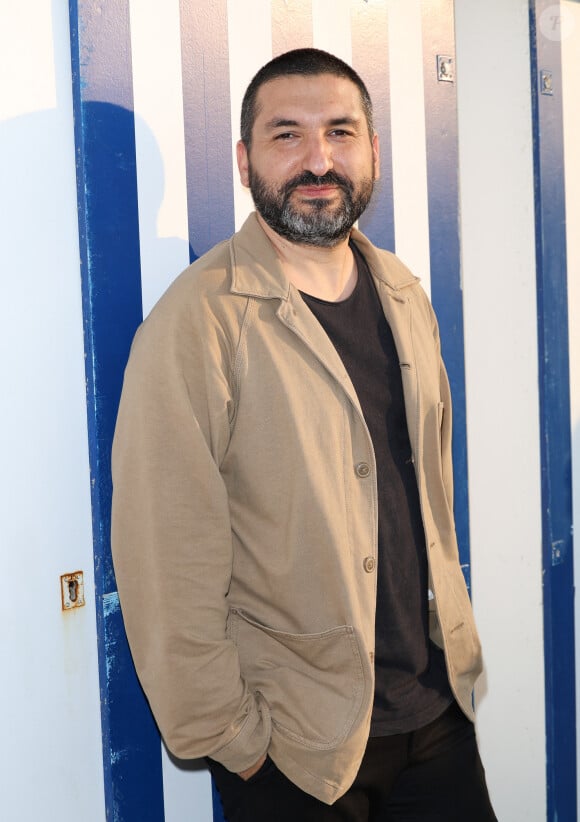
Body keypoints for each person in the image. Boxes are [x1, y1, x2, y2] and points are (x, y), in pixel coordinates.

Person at [111, 48, 496, 821]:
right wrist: (236, 740)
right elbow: (166, 557)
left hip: (434, 714)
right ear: (246, 159)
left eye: (341, 132)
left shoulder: (402, 293)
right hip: (295, 749)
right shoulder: (197, 325)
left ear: (373, 153)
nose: (319, 159)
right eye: (288, 135)